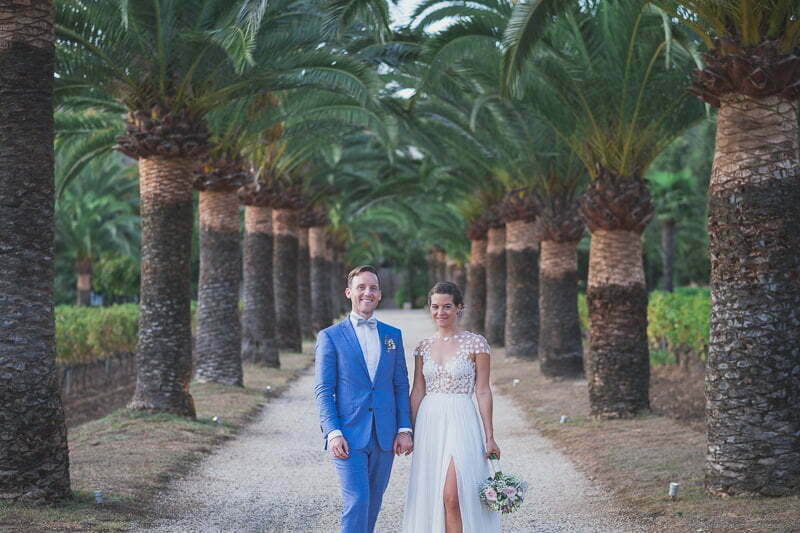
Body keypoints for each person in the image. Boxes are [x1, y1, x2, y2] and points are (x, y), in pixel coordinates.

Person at [314, 265, 414, 533]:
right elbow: (324, 390)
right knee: (357, 500)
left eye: (373, 288)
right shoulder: (330, 337)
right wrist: (333, 432)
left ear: (379, 294)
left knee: (373, 500)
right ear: (349, 292)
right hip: (348, 434)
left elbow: (400, 384)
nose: (367, 292)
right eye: (361, 287)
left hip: (385, 434)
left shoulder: (393, 336)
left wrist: (404, 428)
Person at [402, 281, 502, 533]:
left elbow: (482, 390)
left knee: (453, 495)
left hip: (461, 419)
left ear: (459, 307)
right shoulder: (423, 347)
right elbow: (418, 391)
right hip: (430, 422)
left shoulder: (476, 344)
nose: (440, 312)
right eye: (435, 307)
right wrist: (408, 430)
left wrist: (490, 437)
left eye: (447, 306)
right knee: (433, 494)